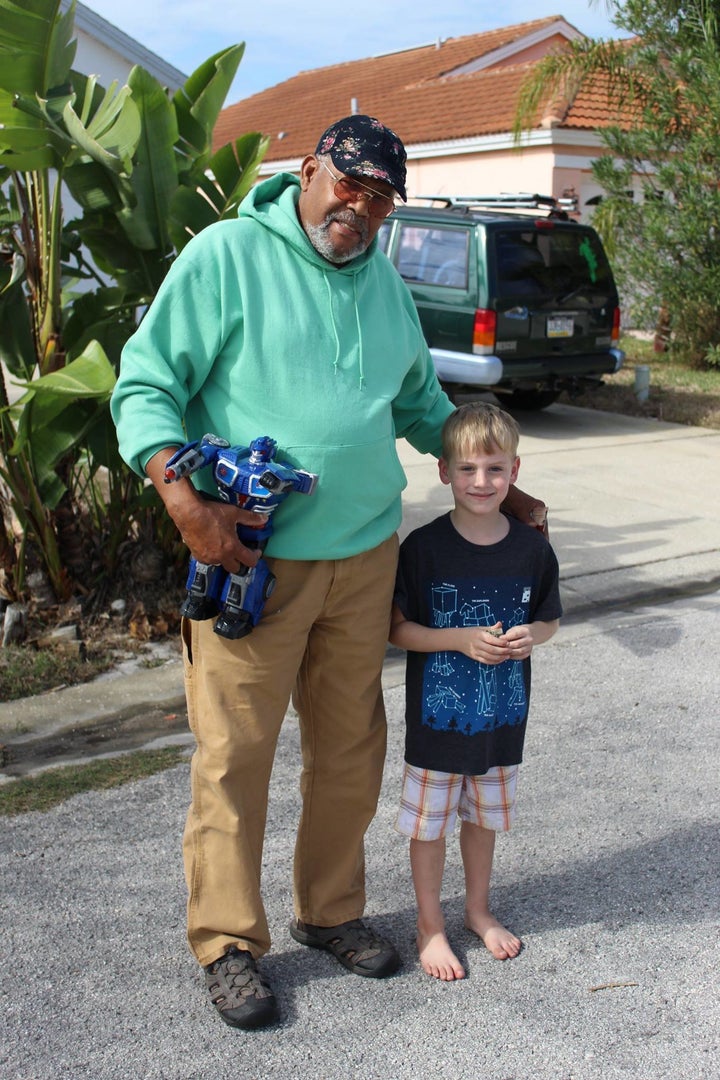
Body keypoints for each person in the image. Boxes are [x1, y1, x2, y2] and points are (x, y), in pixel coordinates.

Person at [111, 115, 544, 1030]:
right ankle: (228, 943)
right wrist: (182, 500)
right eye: (351, 184)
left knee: (350, 749)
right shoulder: (227, 255)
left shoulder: (383, 282)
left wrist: (499, 484)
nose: (362, 207)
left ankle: (331, 910)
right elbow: (145, 382)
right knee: (236, 754)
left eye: (382, 198)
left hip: (363, 559)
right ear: (309, 171)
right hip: (252, 563)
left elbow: (422, 404)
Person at [390, 401, 561, 982]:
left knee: (483, 819)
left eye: (493, 468)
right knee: (429, 825)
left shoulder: (532, 547)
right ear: (443, 473)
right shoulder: (423, 548)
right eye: (467, 469)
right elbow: (398, 629)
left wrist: (529, 638)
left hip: (500, 720)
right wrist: (459, 639)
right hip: (438, 723)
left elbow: (549, 620)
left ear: (515, 471)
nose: (480, 481)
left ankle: (478, 909)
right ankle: (430, 924)